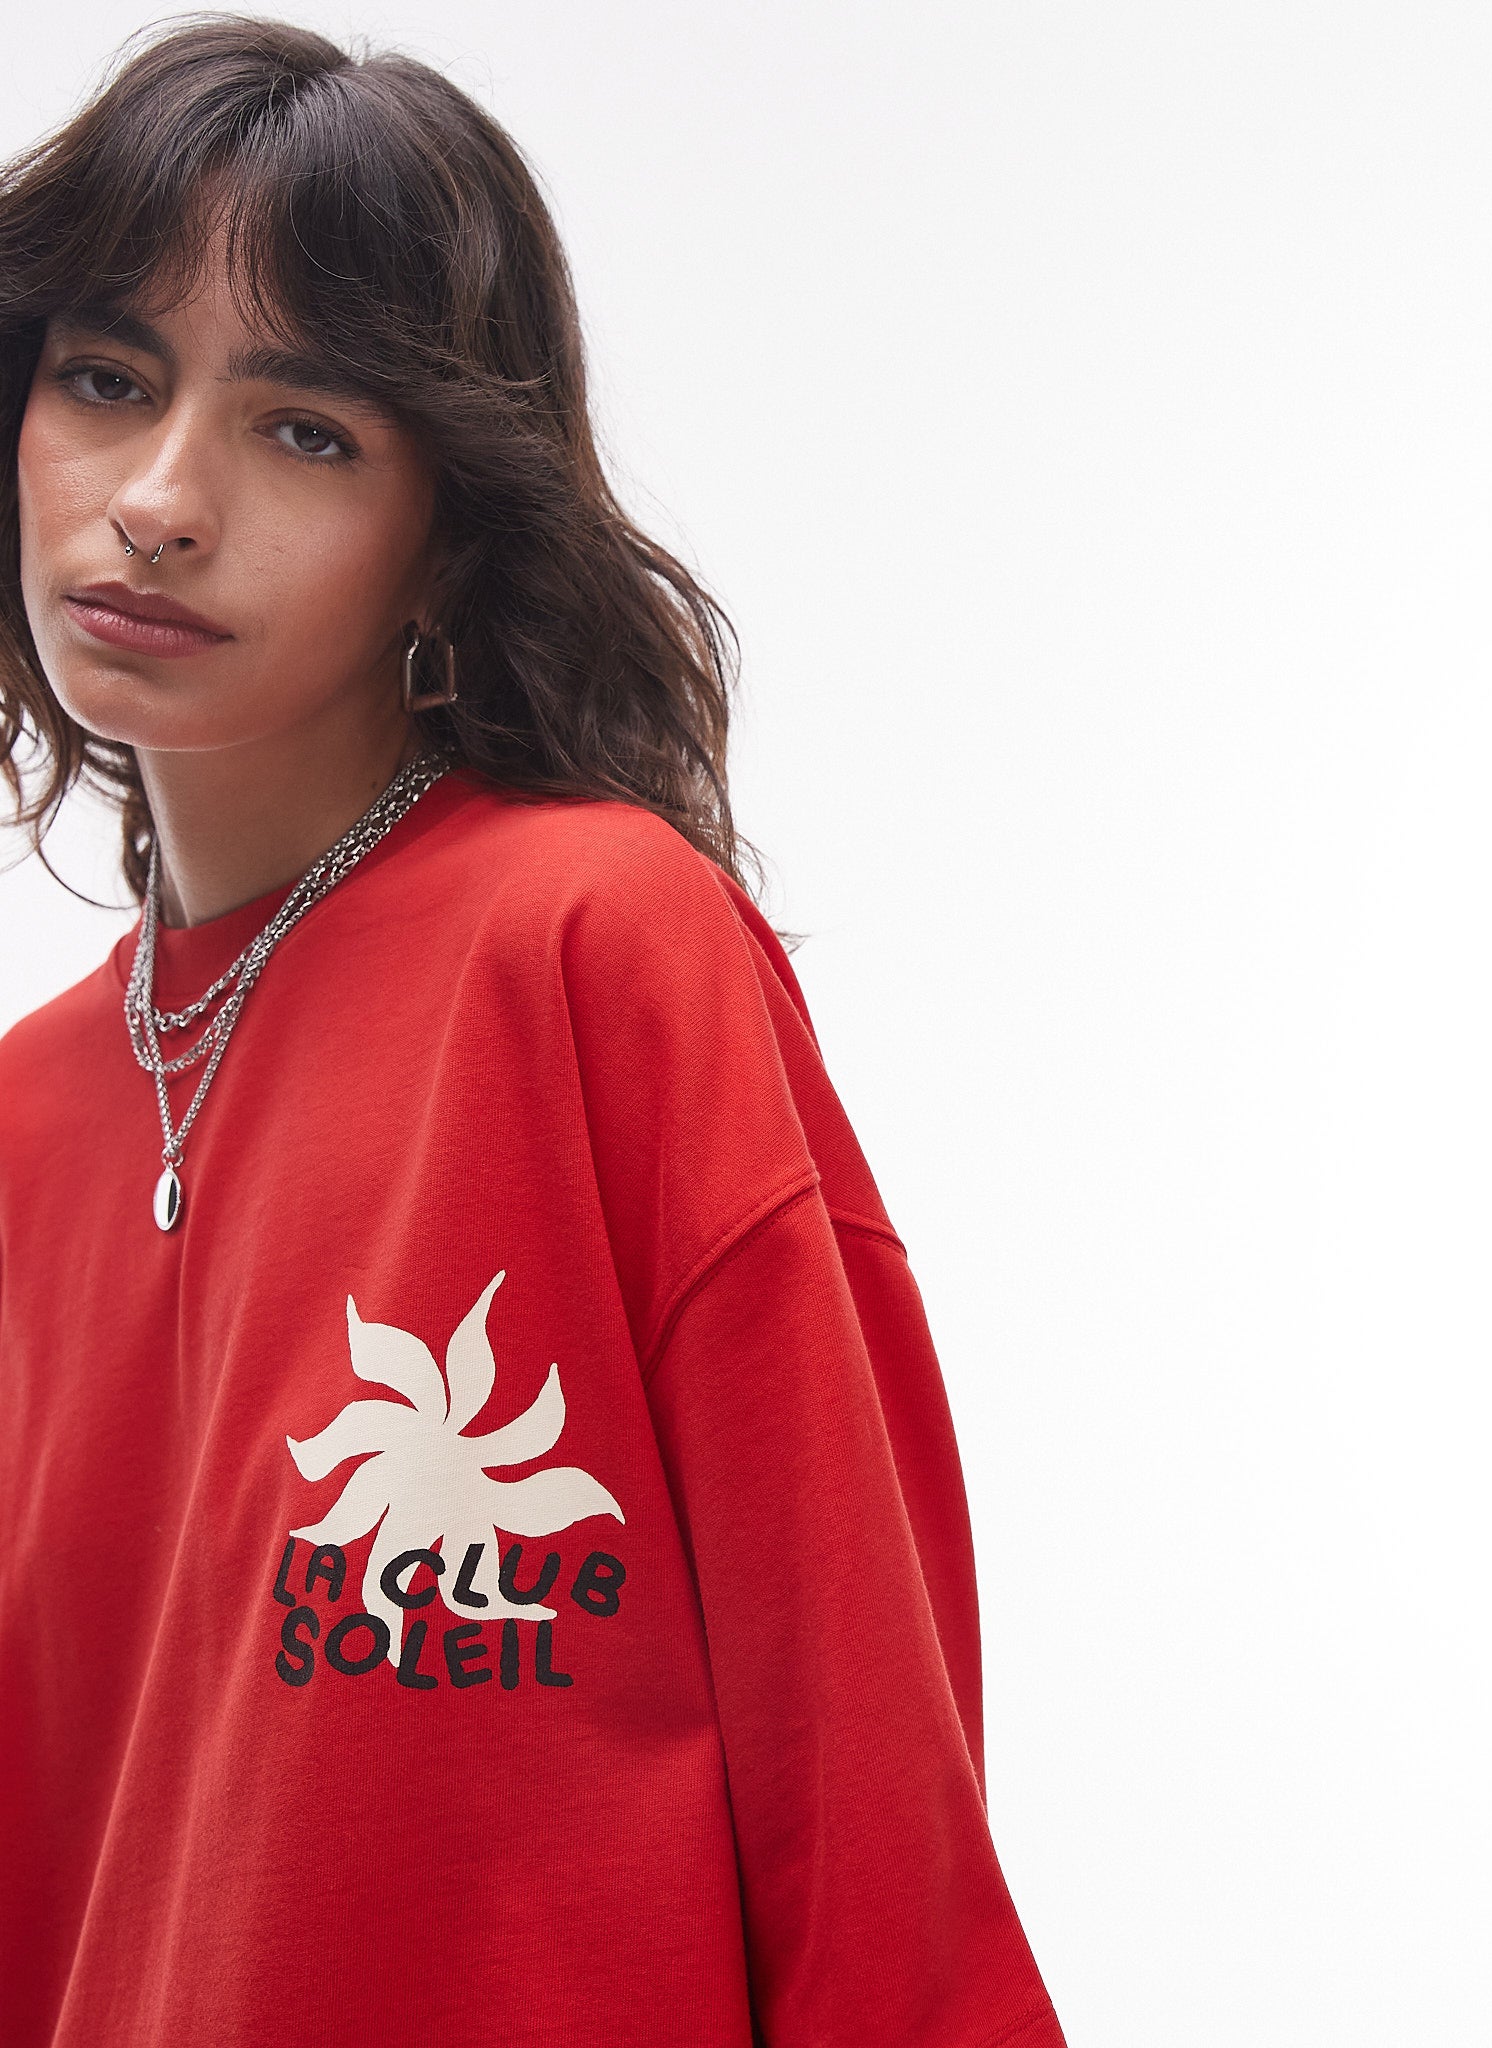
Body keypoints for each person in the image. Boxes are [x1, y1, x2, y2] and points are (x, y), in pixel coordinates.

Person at [0, 17, 1065, 2047]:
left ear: (449, 531)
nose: (160, 499)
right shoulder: (26, 1118)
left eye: (305, 431)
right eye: (107, 381)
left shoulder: (593, 945)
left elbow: (866, 1799)